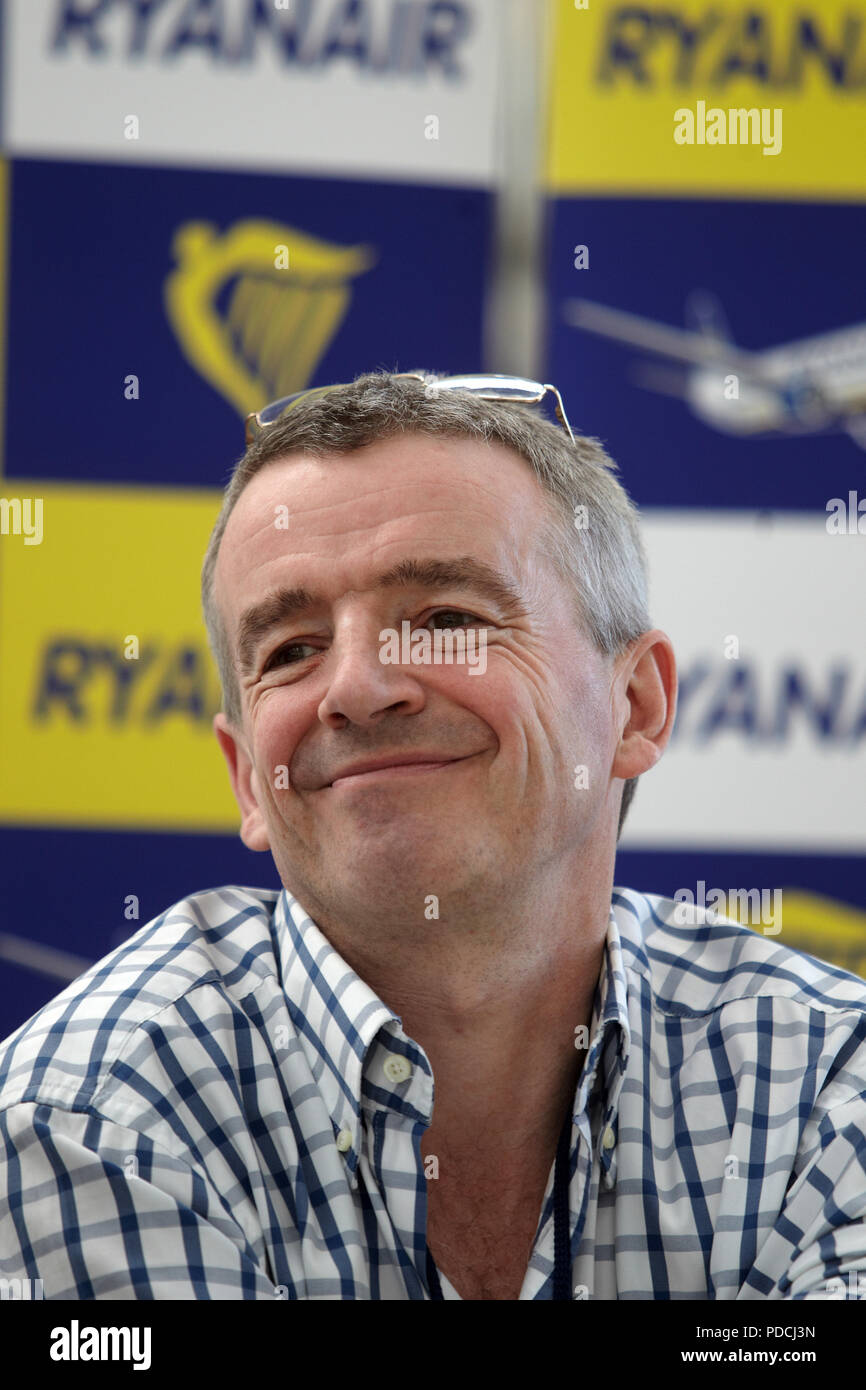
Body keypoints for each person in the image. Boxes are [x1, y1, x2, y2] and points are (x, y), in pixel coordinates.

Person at [1, 370, 864, 1301]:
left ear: (635, 705)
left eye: (448, 621)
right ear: (247, 775)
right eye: (291, 649)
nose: (359, 688)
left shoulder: (822, 1082)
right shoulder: (90, 1118)